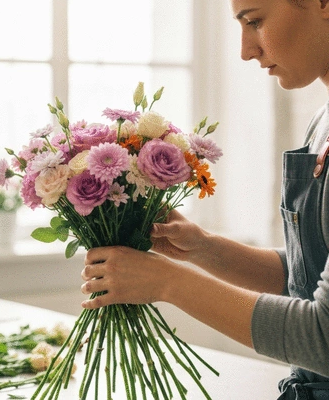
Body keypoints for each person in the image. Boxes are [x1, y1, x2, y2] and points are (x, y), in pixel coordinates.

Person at [80, 0, 329, 398]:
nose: (246, 50)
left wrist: (165, 281)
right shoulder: (322, 120)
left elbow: (324, 337)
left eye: (255, 21)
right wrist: (203, 248)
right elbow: (306, 279)